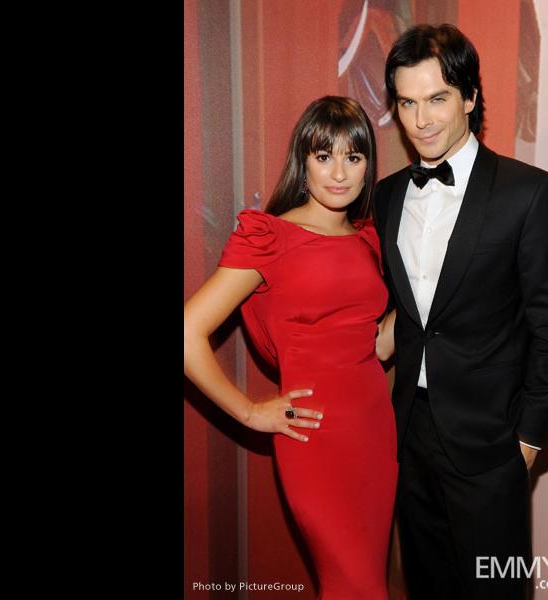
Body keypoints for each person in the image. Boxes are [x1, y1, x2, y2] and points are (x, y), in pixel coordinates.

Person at [373, 24, 548, 599]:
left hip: (493, 445)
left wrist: (529, 442)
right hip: (410, 437)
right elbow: (406, 315)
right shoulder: (387, 196)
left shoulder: (528, 192)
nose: (422, 119)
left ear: (469, 98)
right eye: (407, 103)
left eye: (437, 98)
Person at [184, 96, 397, 599]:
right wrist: (250, 412)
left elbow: (376, 346)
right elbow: (188, 332)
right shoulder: (270, 236)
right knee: (357, 586)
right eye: (324, 156)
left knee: (362, 581)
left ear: (369, 166)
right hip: (314, 440)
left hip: (375, 432)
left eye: (354, 156)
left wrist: (438, 301)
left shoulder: (367, 237)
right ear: (303, 163)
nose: (339, 172)